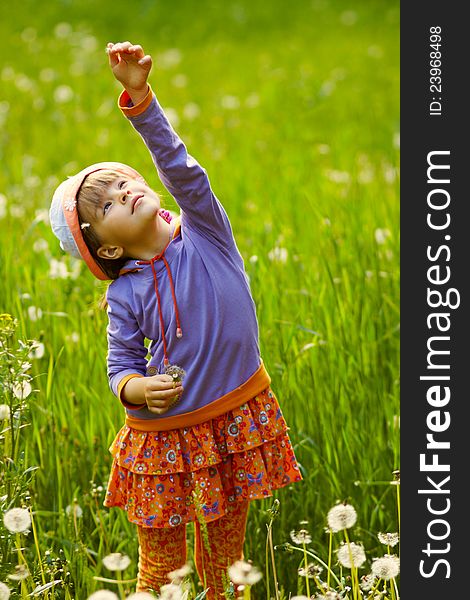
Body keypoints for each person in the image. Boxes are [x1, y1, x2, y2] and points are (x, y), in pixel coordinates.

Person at [49, 40, 302, 598]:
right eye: (109, 204)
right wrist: (138, 388)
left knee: (226, 568)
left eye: (123, 182)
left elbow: (179, 167)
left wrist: (140, 101)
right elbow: (119, 368)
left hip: (232, 417)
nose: (126, 191)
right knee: (160, 574)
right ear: (106, 251)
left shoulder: (206, 231)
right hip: (163, 440)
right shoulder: (125, 294)